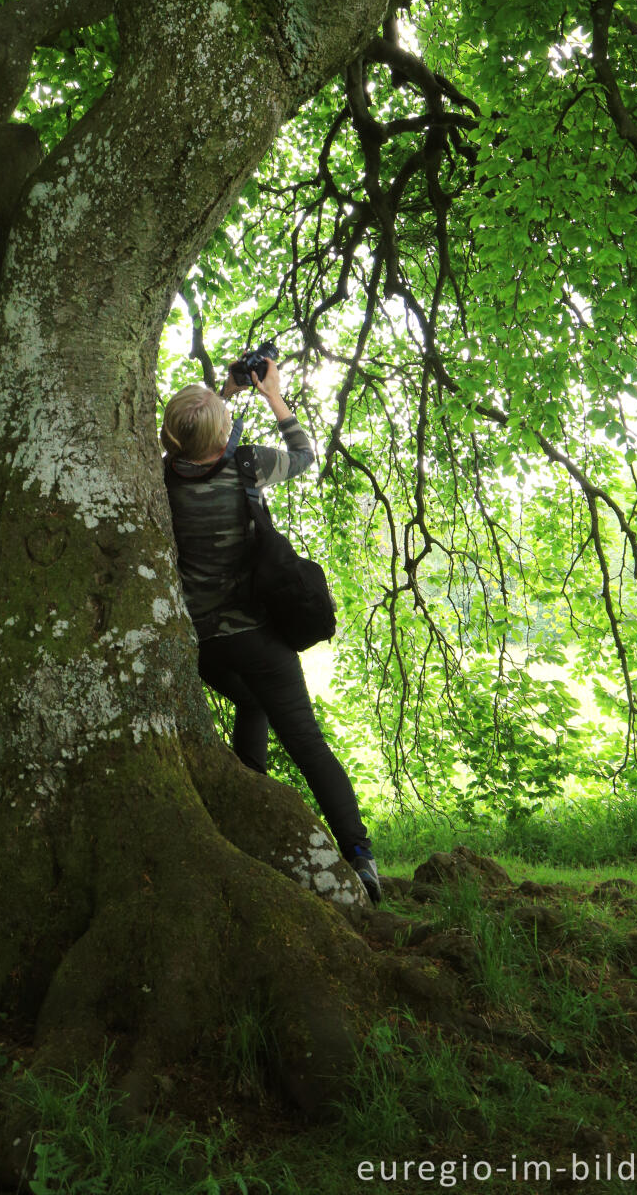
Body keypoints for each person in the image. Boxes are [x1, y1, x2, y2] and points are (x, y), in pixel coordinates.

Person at [161, 360, 381, 904]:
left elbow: (193, 441)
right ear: (221, 431)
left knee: (251, 707)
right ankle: (360, 857)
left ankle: (248, 812)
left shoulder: (159, 475)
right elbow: (306, 456)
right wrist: (274, 397)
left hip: (200, 642)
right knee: (306, 743)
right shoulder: (248, 465)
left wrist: (221, 395)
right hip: (256, 634)